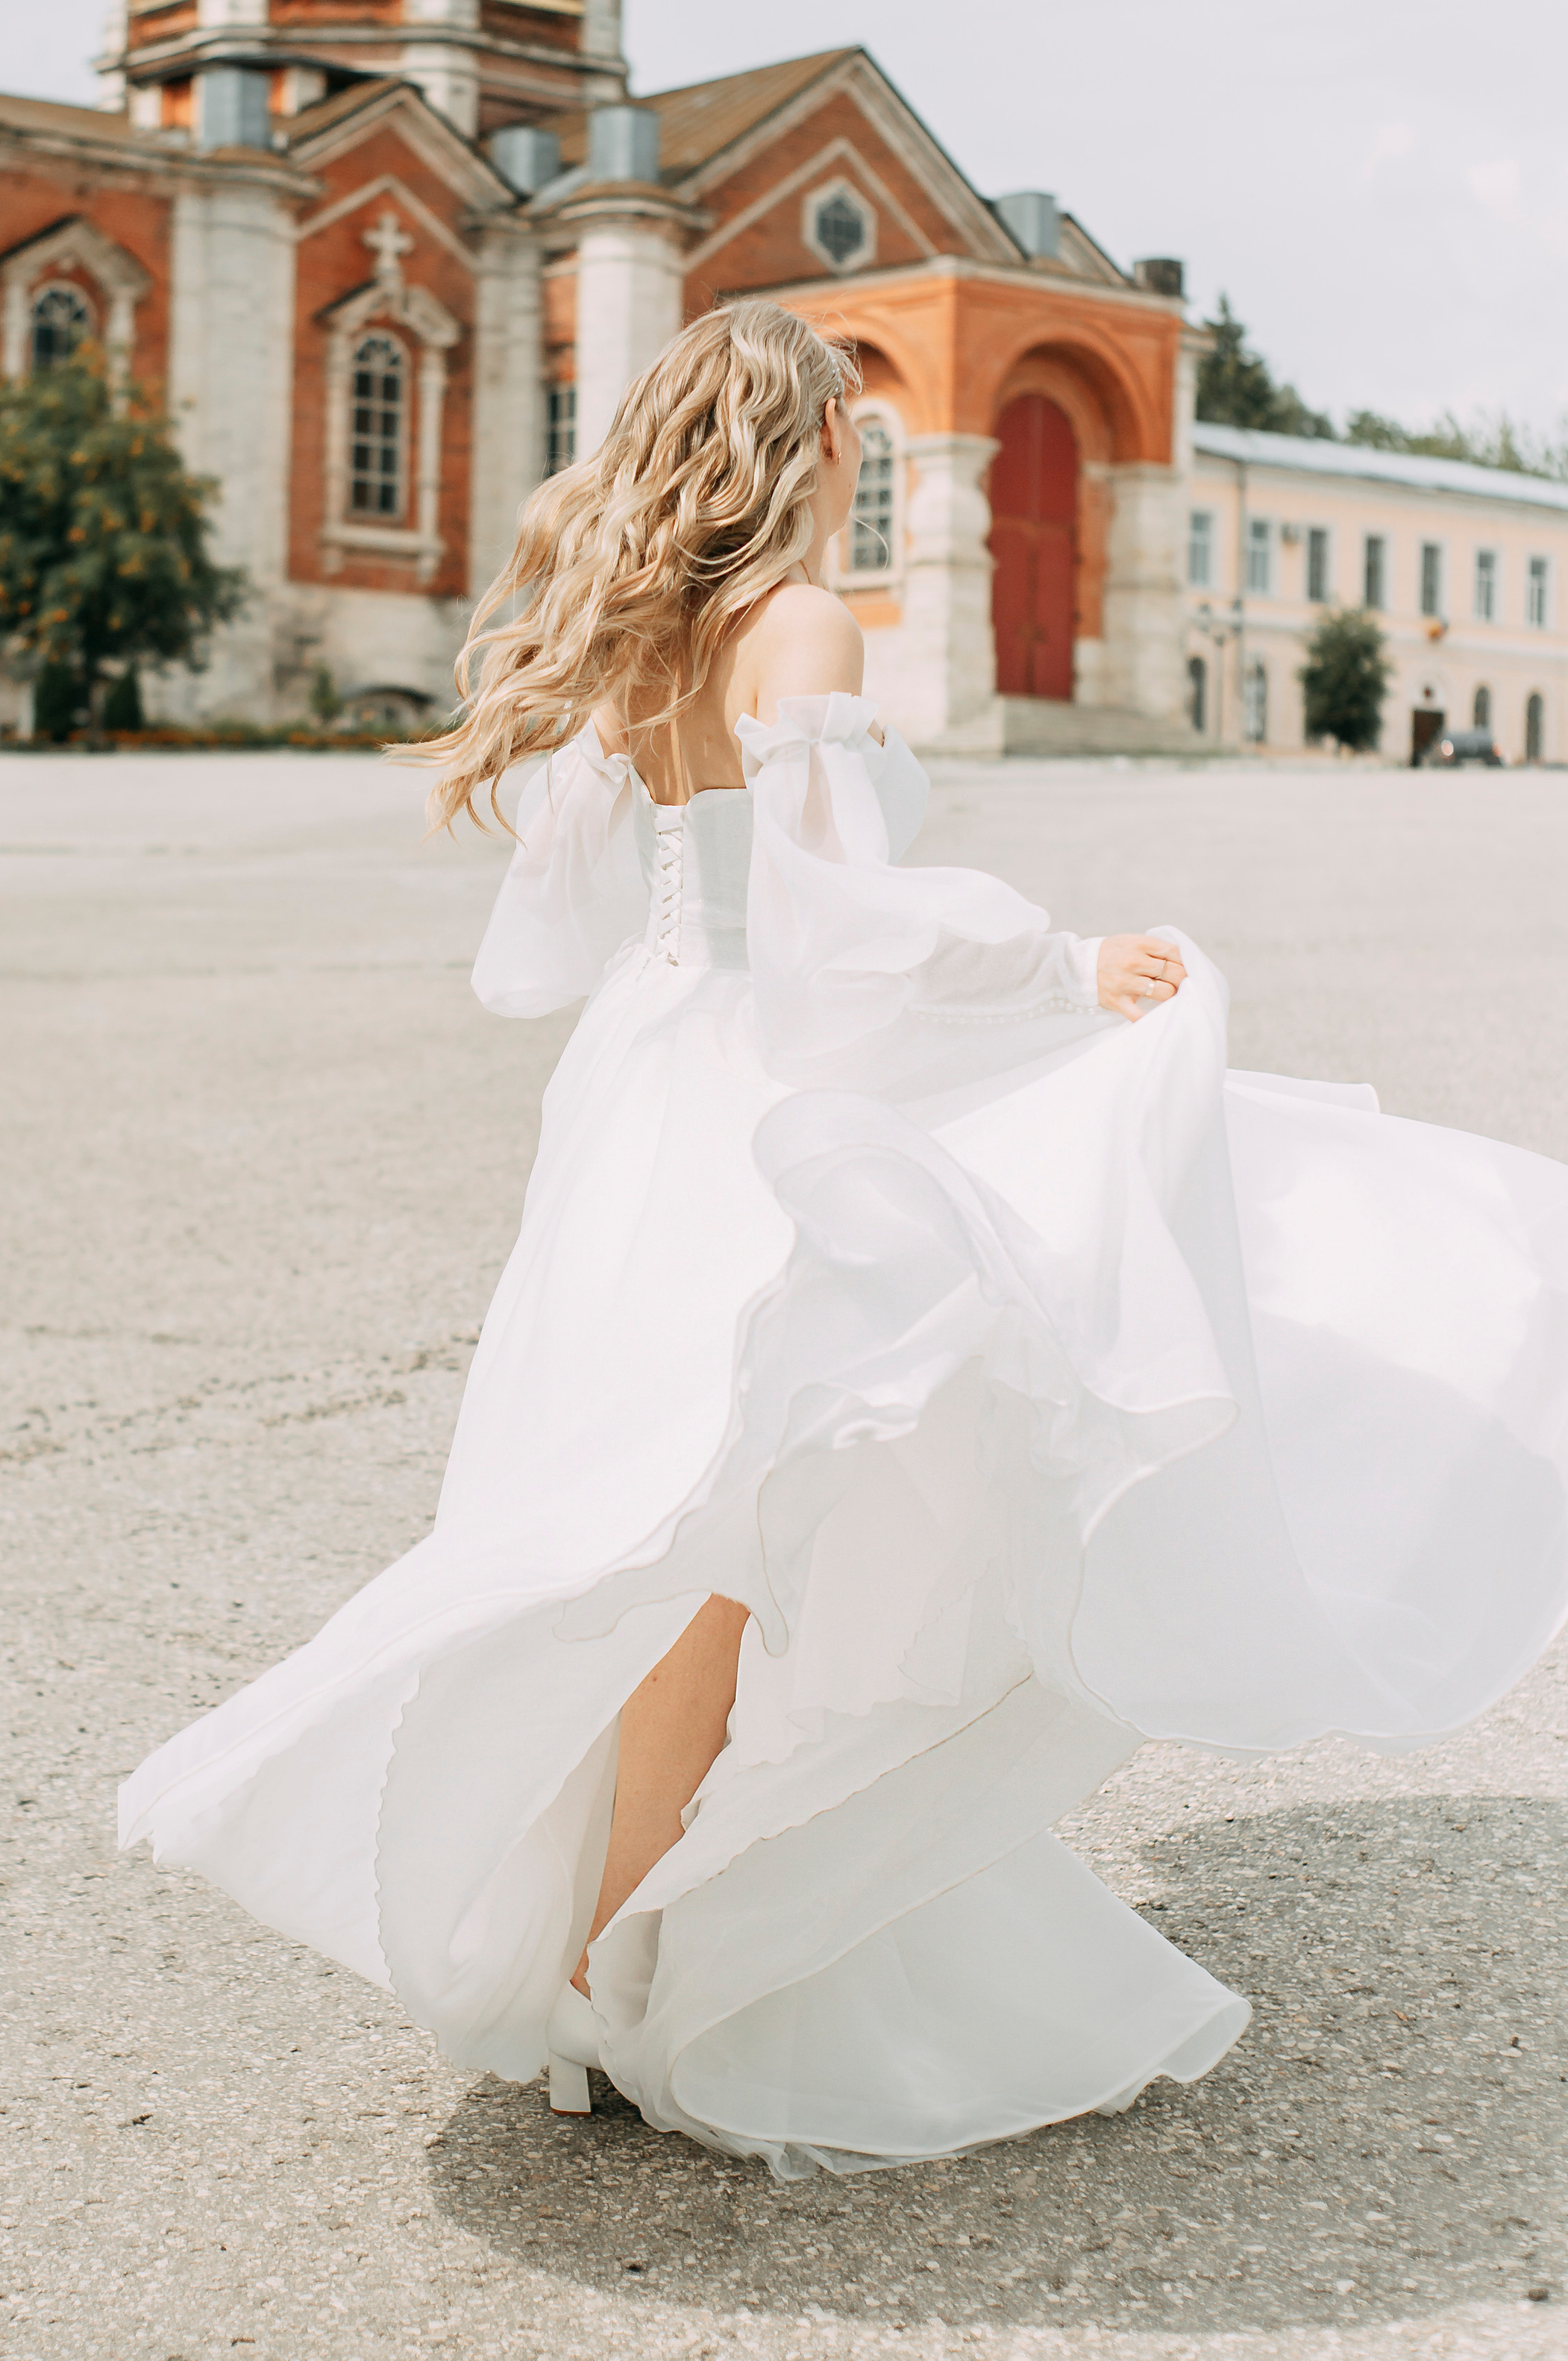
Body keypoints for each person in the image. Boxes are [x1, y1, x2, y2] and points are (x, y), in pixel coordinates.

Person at [122, 300, 1568, 2180]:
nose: (849, 464)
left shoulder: (633, 635)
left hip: (640, 1083)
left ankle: (605, 1937)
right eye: (843, 436)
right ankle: (617, 1952)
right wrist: (1059, 966)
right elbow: (837, 933)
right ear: (801, 445)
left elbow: (558, 940)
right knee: (725, 1542)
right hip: (757, 1098)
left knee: (664, 1528)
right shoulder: (797, 625)